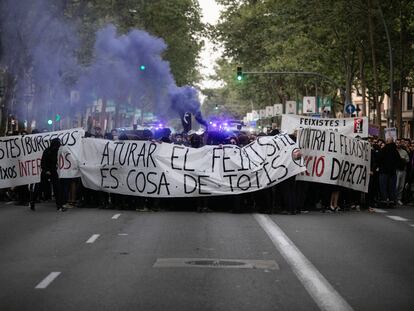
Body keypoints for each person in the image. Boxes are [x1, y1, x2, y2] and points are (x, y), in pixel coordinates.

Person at [30, 138, 65, 211]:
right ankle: (32, 201)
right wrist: (46, 170)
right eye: (57, 145)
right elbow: (43, 162)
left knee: (57, 188)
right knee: (40, 187)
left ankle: (59, 206)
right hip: (46, 172)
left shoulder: (56, 151)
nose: (58, 147)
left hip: (53, 172)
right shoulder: (47, 151)